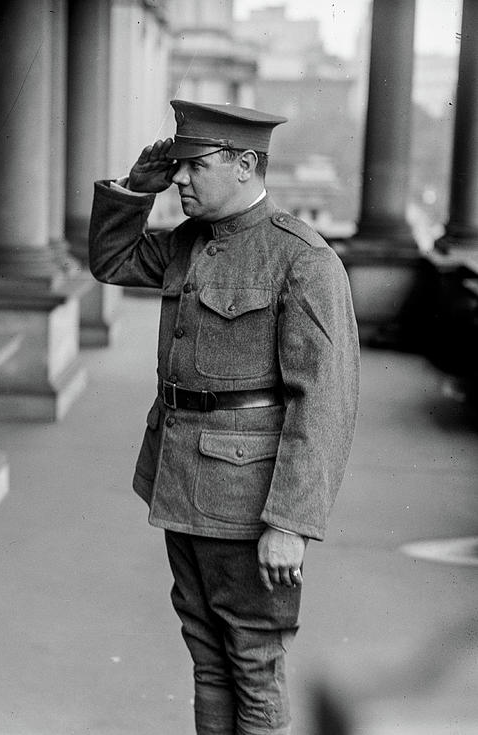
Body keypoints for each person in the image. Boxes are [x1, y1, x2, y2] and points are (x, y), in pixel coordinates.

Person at [87, 100, 360, 734]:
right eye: (177, 166)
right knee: (207, 658)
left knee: (254, 663)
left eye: (194, 166)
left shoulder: (304, 259)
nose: (179, 179)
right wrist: (133, 190)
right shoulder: (187, 243)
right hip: (179, 480)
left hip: (248, 498)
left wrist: (291, 521)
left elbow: (325, 401)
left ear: (243, 165)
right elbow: (110, 262)